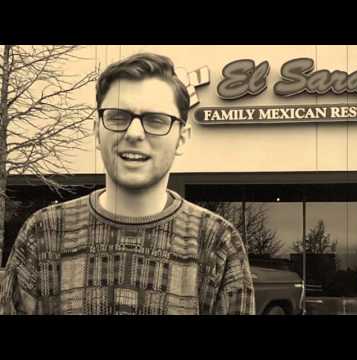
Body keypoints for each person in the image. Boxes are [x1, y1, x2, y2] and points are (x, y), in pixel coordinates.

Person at [0, 53, 255, 315]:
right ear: (97, 130)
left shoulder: (217, 243)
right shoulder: (43, 235)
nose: (134, 134)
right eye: (118, 117)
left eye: (156, 120)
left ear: (181, 138)